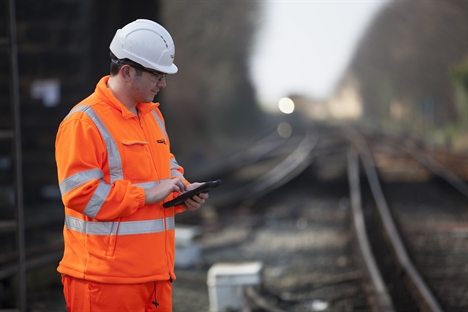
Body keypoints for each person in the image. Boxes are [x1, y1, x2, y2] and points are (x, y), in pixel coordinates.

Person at [55, 19, 209, 312]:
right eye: (157, 76)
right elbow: (80, 195)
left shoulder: (152, 116)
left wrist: (183, 191)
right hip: (105, 284)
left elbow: (167, 169)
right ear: (127, 72)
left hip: (155, 278)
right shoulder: (83, 122)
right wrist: (145, 195)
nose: (163, 84)